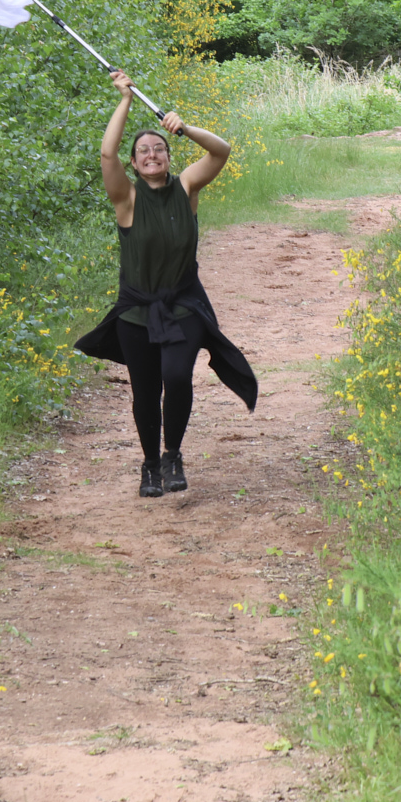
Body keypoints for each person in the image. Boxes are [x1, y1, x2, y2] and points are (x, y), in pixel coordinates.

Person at [74, 69, 257, 497]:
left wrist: (185, 127)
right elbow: (106, 154)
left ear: (169, 158)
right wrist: (124, 100)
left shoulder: (186, 187)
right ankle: (151, 465)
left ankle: (173, 454)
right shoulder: (127, 198)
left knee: (176, 377)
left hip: (183, 305)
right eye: (143, 151)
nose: (152, 154)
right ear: (134, 164)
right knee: (145, 391)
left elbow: (221, 150)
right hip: (136, 312)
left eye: (159, 148)